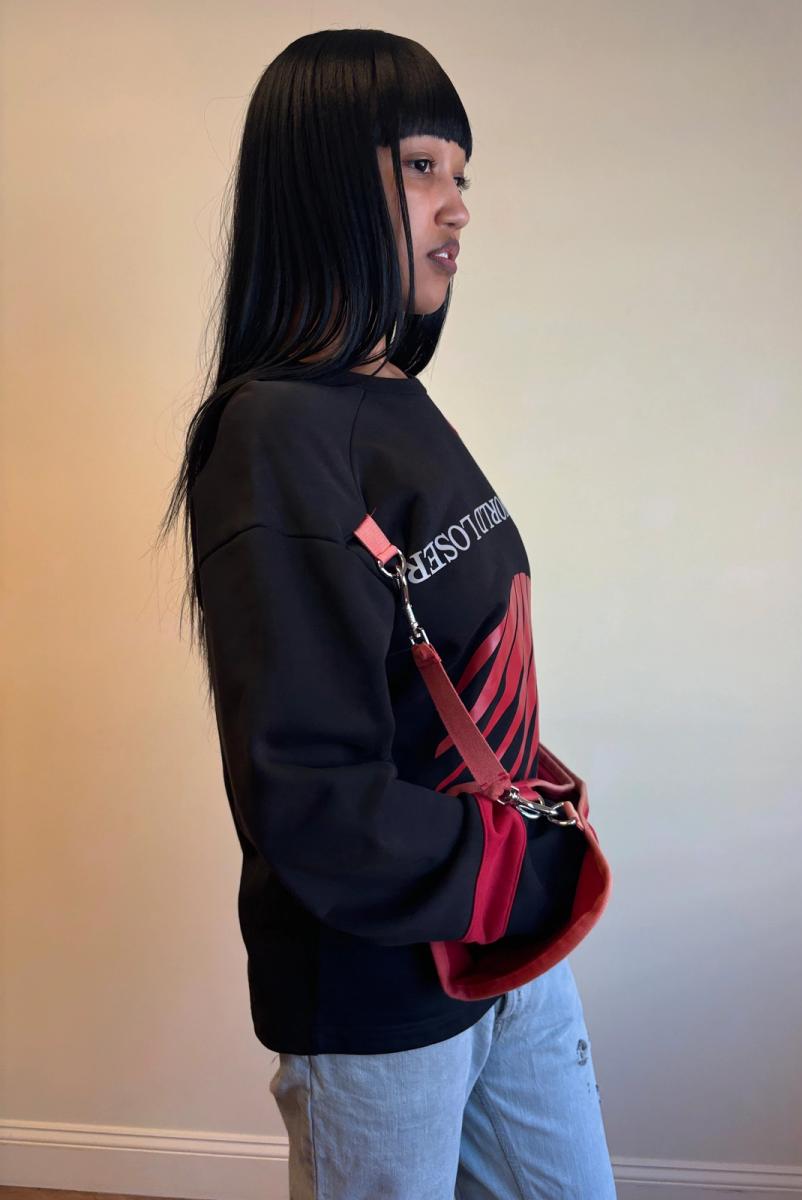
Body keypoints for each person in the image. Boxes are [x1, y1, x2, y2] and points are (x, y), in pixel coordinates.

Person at [158, 27, 617, 1200]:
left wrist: (525, 850)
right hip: (379, 994)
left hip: (502, 952)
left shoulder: (397, 398)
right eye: (421, 167)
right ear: (323, 178)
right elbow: (309, 793)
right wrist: (517, 871)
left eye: (461, 175)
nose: (458, 207)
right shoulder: (270, 436)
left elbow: (438, 671)